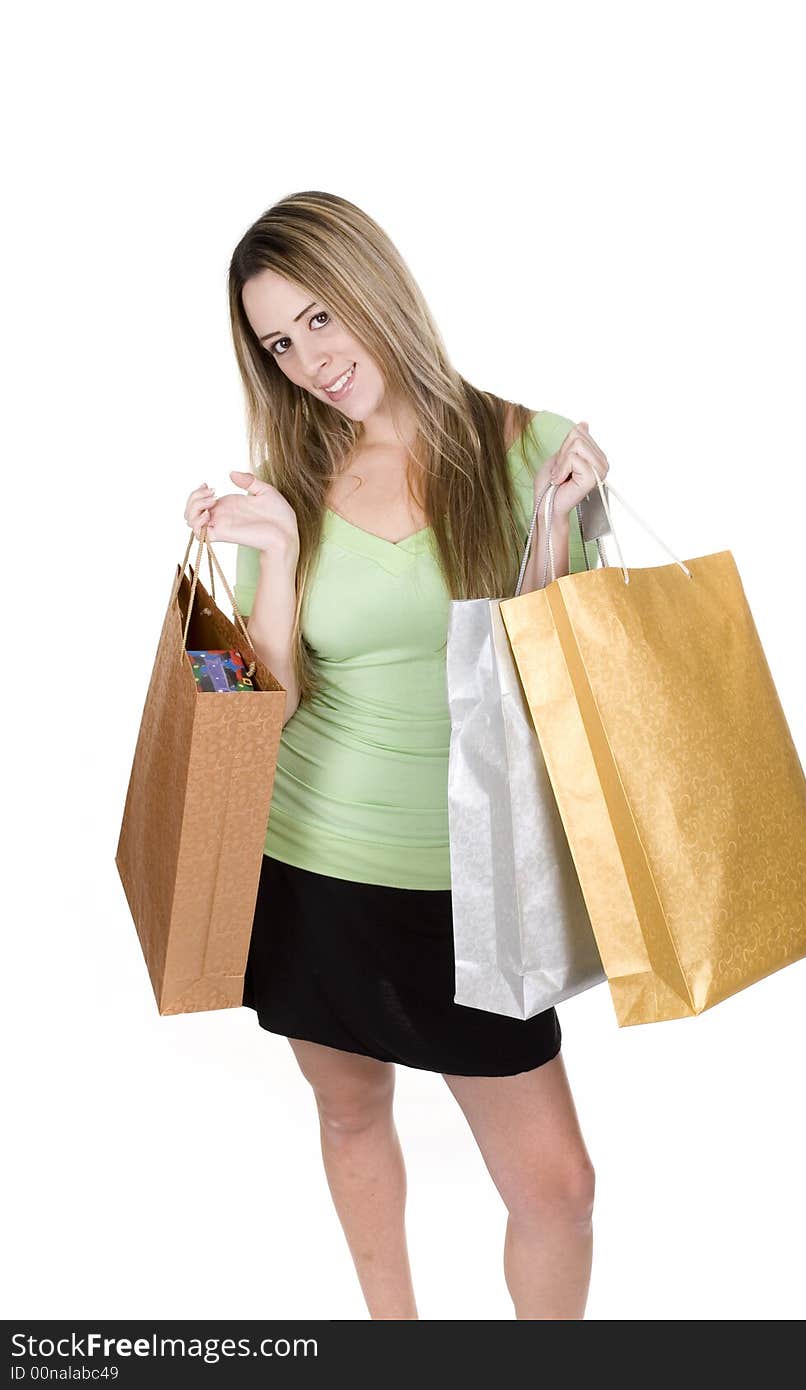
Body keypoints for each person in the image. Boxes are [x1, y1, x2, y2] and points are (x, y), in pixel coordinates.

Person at [182, 190, 611, 1320]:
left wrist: (562, 531)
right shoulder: (283, 487)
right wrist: (271, 556)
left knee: (557, 1189)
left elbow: (569, 691)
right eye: (280, 343)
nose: (309, 360)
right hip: (313, 867)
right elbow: (235, 724)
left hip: (473, 887)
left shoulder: (534, 449)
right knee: (348, 1110)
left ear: (375, 285)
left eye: (321, 319)